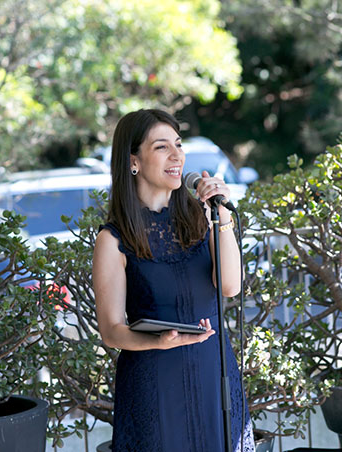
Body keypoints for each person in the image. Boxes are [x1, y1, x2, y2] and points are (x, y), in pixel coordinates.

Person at [93, 109, 255, 451]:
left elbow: (230, 286)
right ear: (133, 161)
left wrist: (221, 214)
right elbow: (111, 331)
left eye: (179, 145)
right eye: (162, 147)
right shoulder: (113, 239)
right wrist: (158, 341)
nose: (177, 155)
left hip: (214, 372)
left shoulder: (202, 218)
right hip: (154, 382)